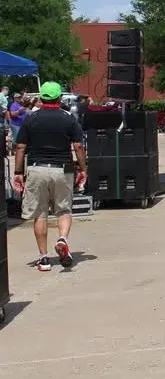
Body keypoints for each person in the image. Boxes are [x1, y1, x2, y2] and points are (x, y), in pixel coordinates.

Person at [12, 82, 86, 272]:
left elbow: (20, 146)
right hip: (62, 168)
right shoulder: (68, 118)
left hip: (37, 168)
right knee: (63, 210)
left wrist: (18, 172)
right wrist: (83, 169)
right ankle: (62, 238)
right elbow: (78, 145)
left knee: (40, 213)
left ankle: (44, 258)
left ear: (42, 98)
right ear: (59, 98)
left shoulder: (31, 118)